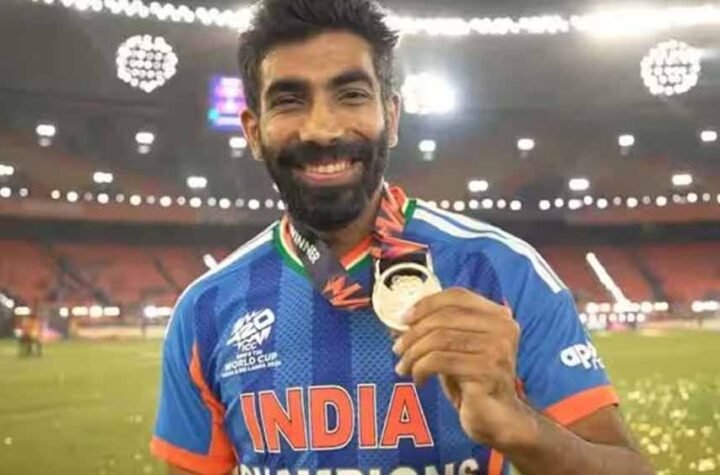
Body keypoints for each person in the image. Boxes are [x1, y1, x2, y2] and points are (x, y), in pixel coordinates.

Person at [151, 1, 653, 474]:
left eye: (351, 94)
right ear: (253, 132)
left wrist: (521, 429)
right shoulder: (205, 308)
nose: (322, 129)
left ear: (391, 119)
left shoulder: (501, 270)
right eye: (289, 100)